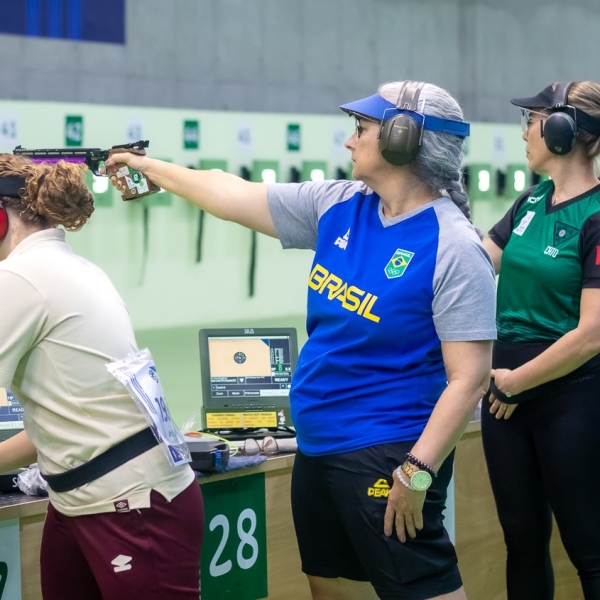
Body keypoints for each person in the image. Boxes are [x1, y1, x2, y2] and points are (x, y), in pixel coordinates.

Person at [106, 79, 497, 600]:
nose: (349, 140)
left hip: (389, 455)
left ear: (402, 140)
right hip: (318, 449)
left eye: (362, 129)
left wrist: (417, 472)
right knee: (330, 586)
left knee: (424, 590)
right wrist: (149, 167)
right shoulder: (340, 204)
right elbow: (232, 194)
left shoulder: (453, 246)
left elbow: (469, 379)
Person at [0, 154, 204, 600]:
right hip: (90, 497)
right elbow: (61, 423)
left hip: (129, 501)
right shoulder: (72, 266)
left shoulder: (20, 277)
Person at [481, 81, 600, 600]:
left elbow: (592, 334)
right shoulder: (530, 202)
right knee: (522, 543)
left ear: (561, 131)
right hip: (504, 395)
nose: (524, 133)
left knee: (589, 550)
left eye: (531, 121)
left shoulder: (596, 215)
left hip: (569, 398)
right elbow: (475, 265)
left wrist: (516, 382)